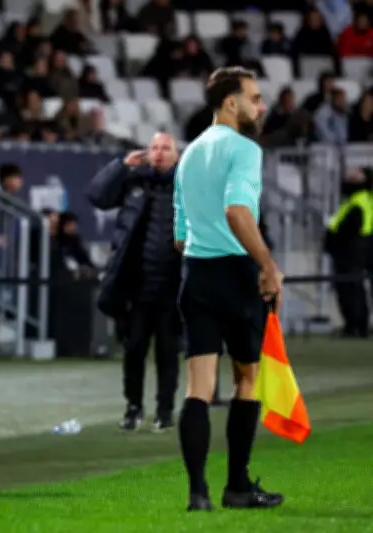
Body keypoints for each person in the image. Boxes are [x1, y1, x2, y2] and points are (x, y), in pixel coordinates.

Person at [174, 66, 284, 512]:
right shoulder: (244, 149)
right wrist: (267, 264)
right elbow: (239, 212)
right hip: (236, 277)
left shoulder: (189, 154)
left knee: (198, 388)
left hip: (195, 275)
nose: (261, 106)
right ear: (229, 102)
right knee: (246, 381)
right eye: (254, 98)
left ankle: (197, 493)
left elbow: (180, 236)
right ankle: (237, 487)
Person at [86, 132, 181, 432]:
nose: (159, 153)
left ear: (177, 155)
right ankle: (133, 407)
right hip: (137, 287)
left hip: (173, 287)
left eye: (166, 148)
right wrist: (121, 166)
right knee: (134, 350)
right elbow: (97, 197)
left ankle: (165, 411)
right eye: (154, 148)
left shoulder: (190, 185)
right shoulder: (134, 182)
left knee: (168, 353)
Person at [323, 167, 373, 338]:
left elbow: (349, 227)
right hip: (350, 250)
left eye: (355, 177)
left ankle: (355, 327)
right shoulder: (353, 200)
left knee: (351, 289)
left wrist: (334, 236)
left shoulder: (359, 201)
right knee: (351, 288)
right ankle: (356, 325)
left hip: (352, 251)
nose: (348, 179)